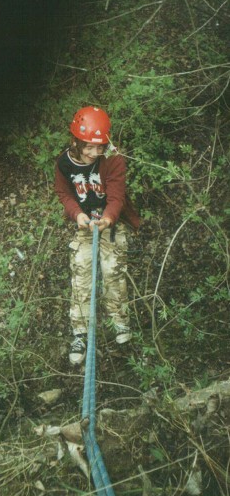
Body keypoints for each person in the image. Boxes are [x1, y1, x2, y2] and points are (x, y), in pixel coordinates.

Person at [54, 106, 140, 365]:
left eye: (100, 146)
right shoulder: (64, 163)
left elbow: (117, 196)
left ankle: (120, 323)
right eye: (88, 147)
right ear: (75, 141)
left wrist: (108, 219)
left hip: (109, 221)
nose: (94, 153)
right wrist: (76, 214)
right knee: (81, 272)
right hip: (84, 223)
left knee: (112, 269)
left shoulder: (113, 158)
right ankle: (80, 332)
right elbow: (64, 193)